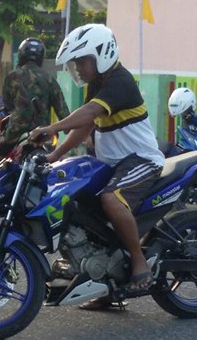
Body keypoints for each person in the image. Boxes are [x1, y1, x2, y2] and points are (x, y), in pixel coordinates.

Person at [28, 24, 164, 310]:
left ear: (102, 54)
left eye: (82, 61)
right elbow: (86, 125)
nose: (79, 68)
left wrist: (51, 127)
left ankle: (139, 262)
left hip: (140, 160)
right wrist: (55, 155)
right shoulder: (98, 84)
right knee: (76, 206)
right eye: (76, 63)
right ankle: (103, 283)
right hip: (112, 163)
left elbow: (88, 113)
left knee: (110, 200)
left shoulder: (120, 81)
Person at [0, 37, 70, 168]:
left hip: (16, 129)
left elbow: (7, 103)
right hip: (43, 133)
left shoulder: (13, 76)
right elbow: (63, 112)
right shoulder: (50, 79)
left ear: (21, 55)